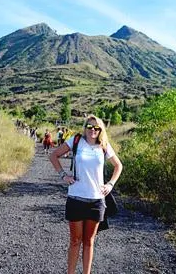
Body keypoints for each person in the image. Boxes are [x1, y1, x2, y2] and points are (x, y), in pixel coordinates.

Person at [49, 115, 123, 274]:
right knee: (75, 241)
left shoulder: (104, 145)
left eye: (97, 128)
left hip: (96, 201)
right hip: (76, 198)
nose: (93, 130)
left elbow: (118, 166)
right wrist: (63, 175)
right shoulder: (76, 141)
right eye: (90, 127)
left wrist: (110, 184)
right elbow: (53, 155)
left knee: (89, 242)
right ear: (85, 128)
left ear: (101, 130)